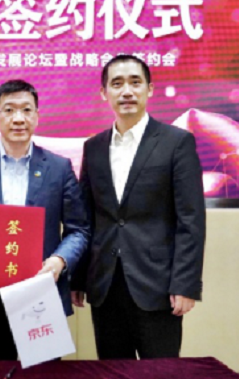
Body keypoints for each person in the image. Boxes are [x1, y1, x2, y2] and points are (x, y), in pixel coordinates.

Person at [71, 54, 206, 360]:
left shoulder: (177, 142)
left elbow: (191, 219)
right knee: (113, 375)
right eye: (117, 84)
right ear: (104, 93)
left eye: (135, 82)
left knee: (159, 377)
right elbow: (86, 218)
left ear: (150, 89)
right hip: (105, 284)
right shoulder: (93, 147)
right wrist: (78, 279)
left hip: (158, 285)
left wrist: (185, 283)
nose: (127, 91)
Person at [0, 79, 89, 360]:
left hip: (40, 294)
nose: (18, 118)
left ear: (37, 115)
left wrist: (59, 261)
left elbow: (78, 229)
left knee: (43, 378)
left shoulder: (59, 168)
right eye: (9, 110)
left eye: (26, 110)